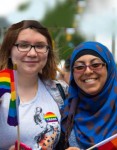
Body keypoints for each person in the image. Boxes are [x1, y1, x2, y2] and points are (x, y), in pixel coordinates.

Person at [56, 41, 117, 150]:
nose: (87, 71)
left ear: (109, 68)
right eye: (79, 67)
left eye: (95, 65)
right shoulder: (66, 115)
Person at [0, 20, 68, 150]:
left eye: (40, 46)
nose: (32, 53)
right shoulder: (2, 90)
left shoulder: (60, 91)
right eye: (23, 45)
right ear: (9, 51)